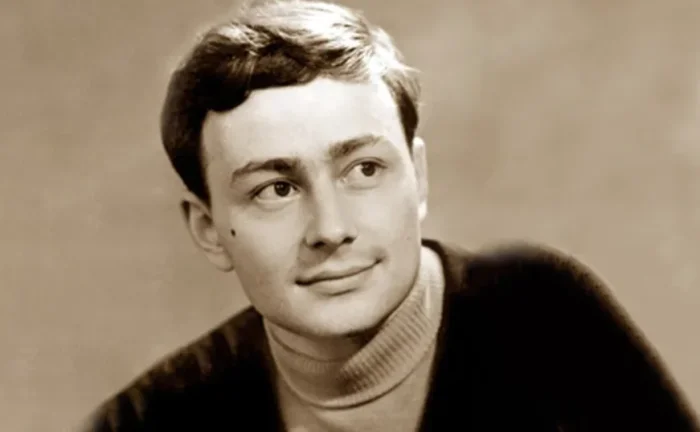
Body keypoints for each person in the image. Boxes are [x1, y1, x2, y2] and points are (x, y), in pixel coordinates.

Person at [80, 0, 699, 430]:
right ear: (210, 230)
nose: (330, 229)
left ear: (418, 177)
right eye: (276, 189)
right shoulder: (150, 419)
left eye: (364, 170)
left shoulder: (546, 322)